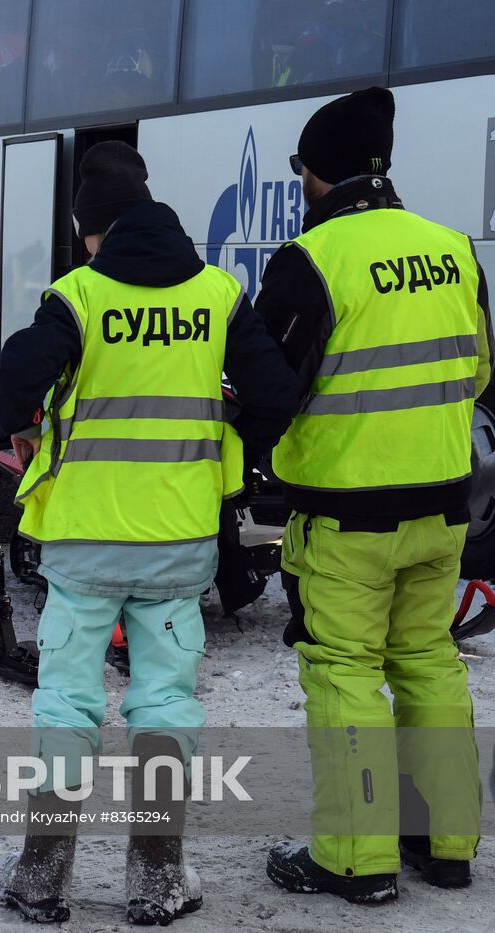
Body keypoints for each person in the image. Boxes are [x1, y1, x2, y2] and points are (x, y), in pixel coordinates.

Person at [0, 141, 297, 925]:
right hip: (178, 544)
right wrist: (231, 436)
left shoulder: (79, 296)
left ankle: (40, 873)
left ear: (90, 228)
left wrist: (36, 419)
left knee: (67, 699)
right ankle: (158, 875)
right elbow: (276, 392)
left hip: (85, 543)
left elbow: (16, 385)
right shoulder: (218, 293)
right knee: (164, 701)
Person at [257, 87, 488, 904]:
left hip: (348, 513)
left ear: (319, 175)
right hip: (445, 507)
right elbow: (479, 370)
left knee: (344, 669)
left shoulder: (312, 261)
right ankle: (448, 845)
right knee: (428, 661)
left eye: (299, 169)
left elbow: (269, 388)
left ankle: (357, 859)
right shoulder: (455, 249)